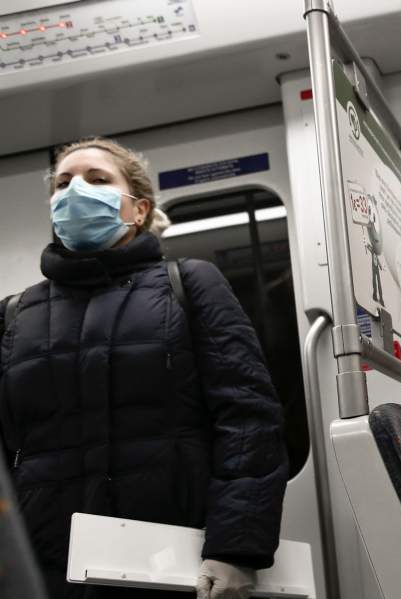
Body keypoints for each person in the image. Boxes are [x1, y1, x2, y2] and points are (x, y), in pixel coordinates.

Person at [0, 138, 288, 599]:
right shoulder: (15, 314)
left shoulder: (188, 284)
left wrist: (237, 547)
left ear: (139, 210)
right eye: (63, 183)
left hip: (172, 556)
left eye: (97, 179)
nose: (76, 190)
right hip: (49, 562)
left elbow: (247, 416)